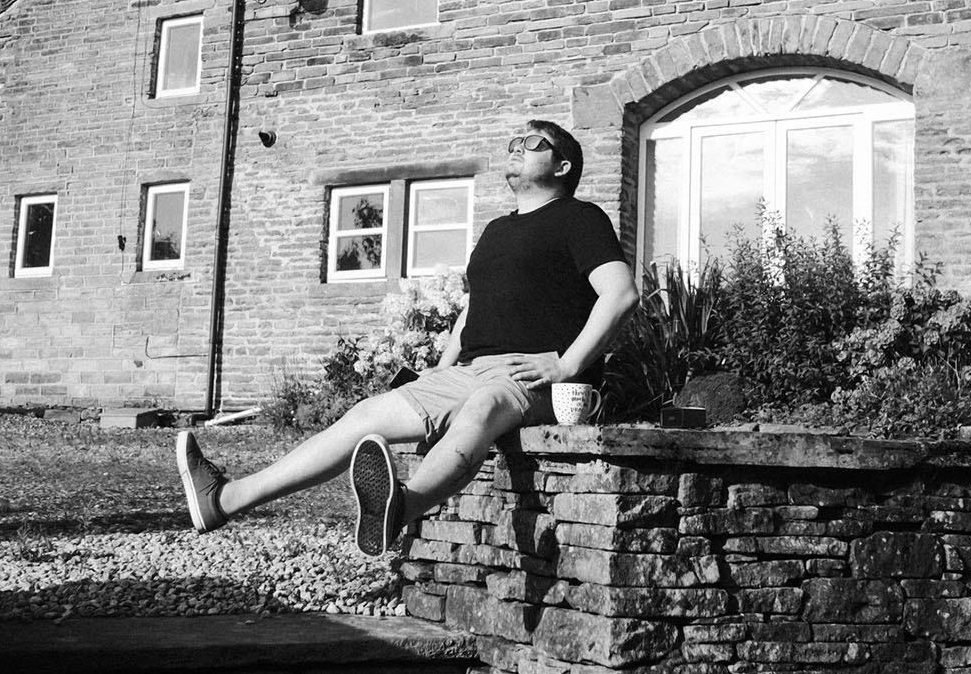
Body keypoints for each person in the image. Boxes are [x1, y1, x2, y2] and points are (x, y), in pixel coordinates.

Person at [176, 119, 639, 556]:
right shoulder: (498, 230)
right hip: (469, 370)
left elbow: (620, 294)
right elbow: (476, 308)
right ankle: (224, 499)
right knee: (365, 415)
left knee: (484, 406)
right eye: (514, 143)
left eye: (533, 143)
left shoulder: (581, 218)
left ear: (563, 166)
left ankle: (400, 508)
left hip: (533, 378)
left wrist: (565, 364)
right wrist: (440, 369)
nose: (517, 148)